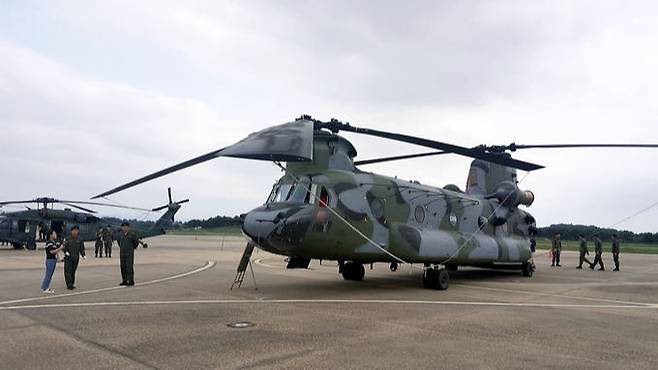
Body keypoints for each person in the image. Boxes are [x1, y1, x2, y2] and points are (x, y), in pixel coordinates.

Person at [62, 225, 86, 290]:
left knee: (73, 271)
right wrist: (65, 252)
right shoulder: (67, 238)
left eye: (77, 231)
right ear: (71, 231)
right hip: (68, 257)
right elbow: (63, 247)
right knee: (68, 271)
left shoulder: (80, 239)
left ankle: (72, 283)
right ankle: (69, 285)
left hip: (76, 257)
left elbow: (82, 248)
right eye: (74, 231)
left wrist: (83, 255)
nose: (75, 232)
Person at [118, 222, 139, 286]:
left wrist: (131, 248)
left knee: (129, 267)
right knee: (122, 267)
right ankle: (124, 280)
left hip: (129, 253)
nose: (124, 228)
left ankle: (130, 281)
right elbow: (119, 242)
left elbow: (136, 243)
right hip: (122, 253)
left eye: (126, 227)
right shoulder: (121, 235)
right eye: (123, 227)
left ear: (128, 228)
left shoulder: (132, 235)